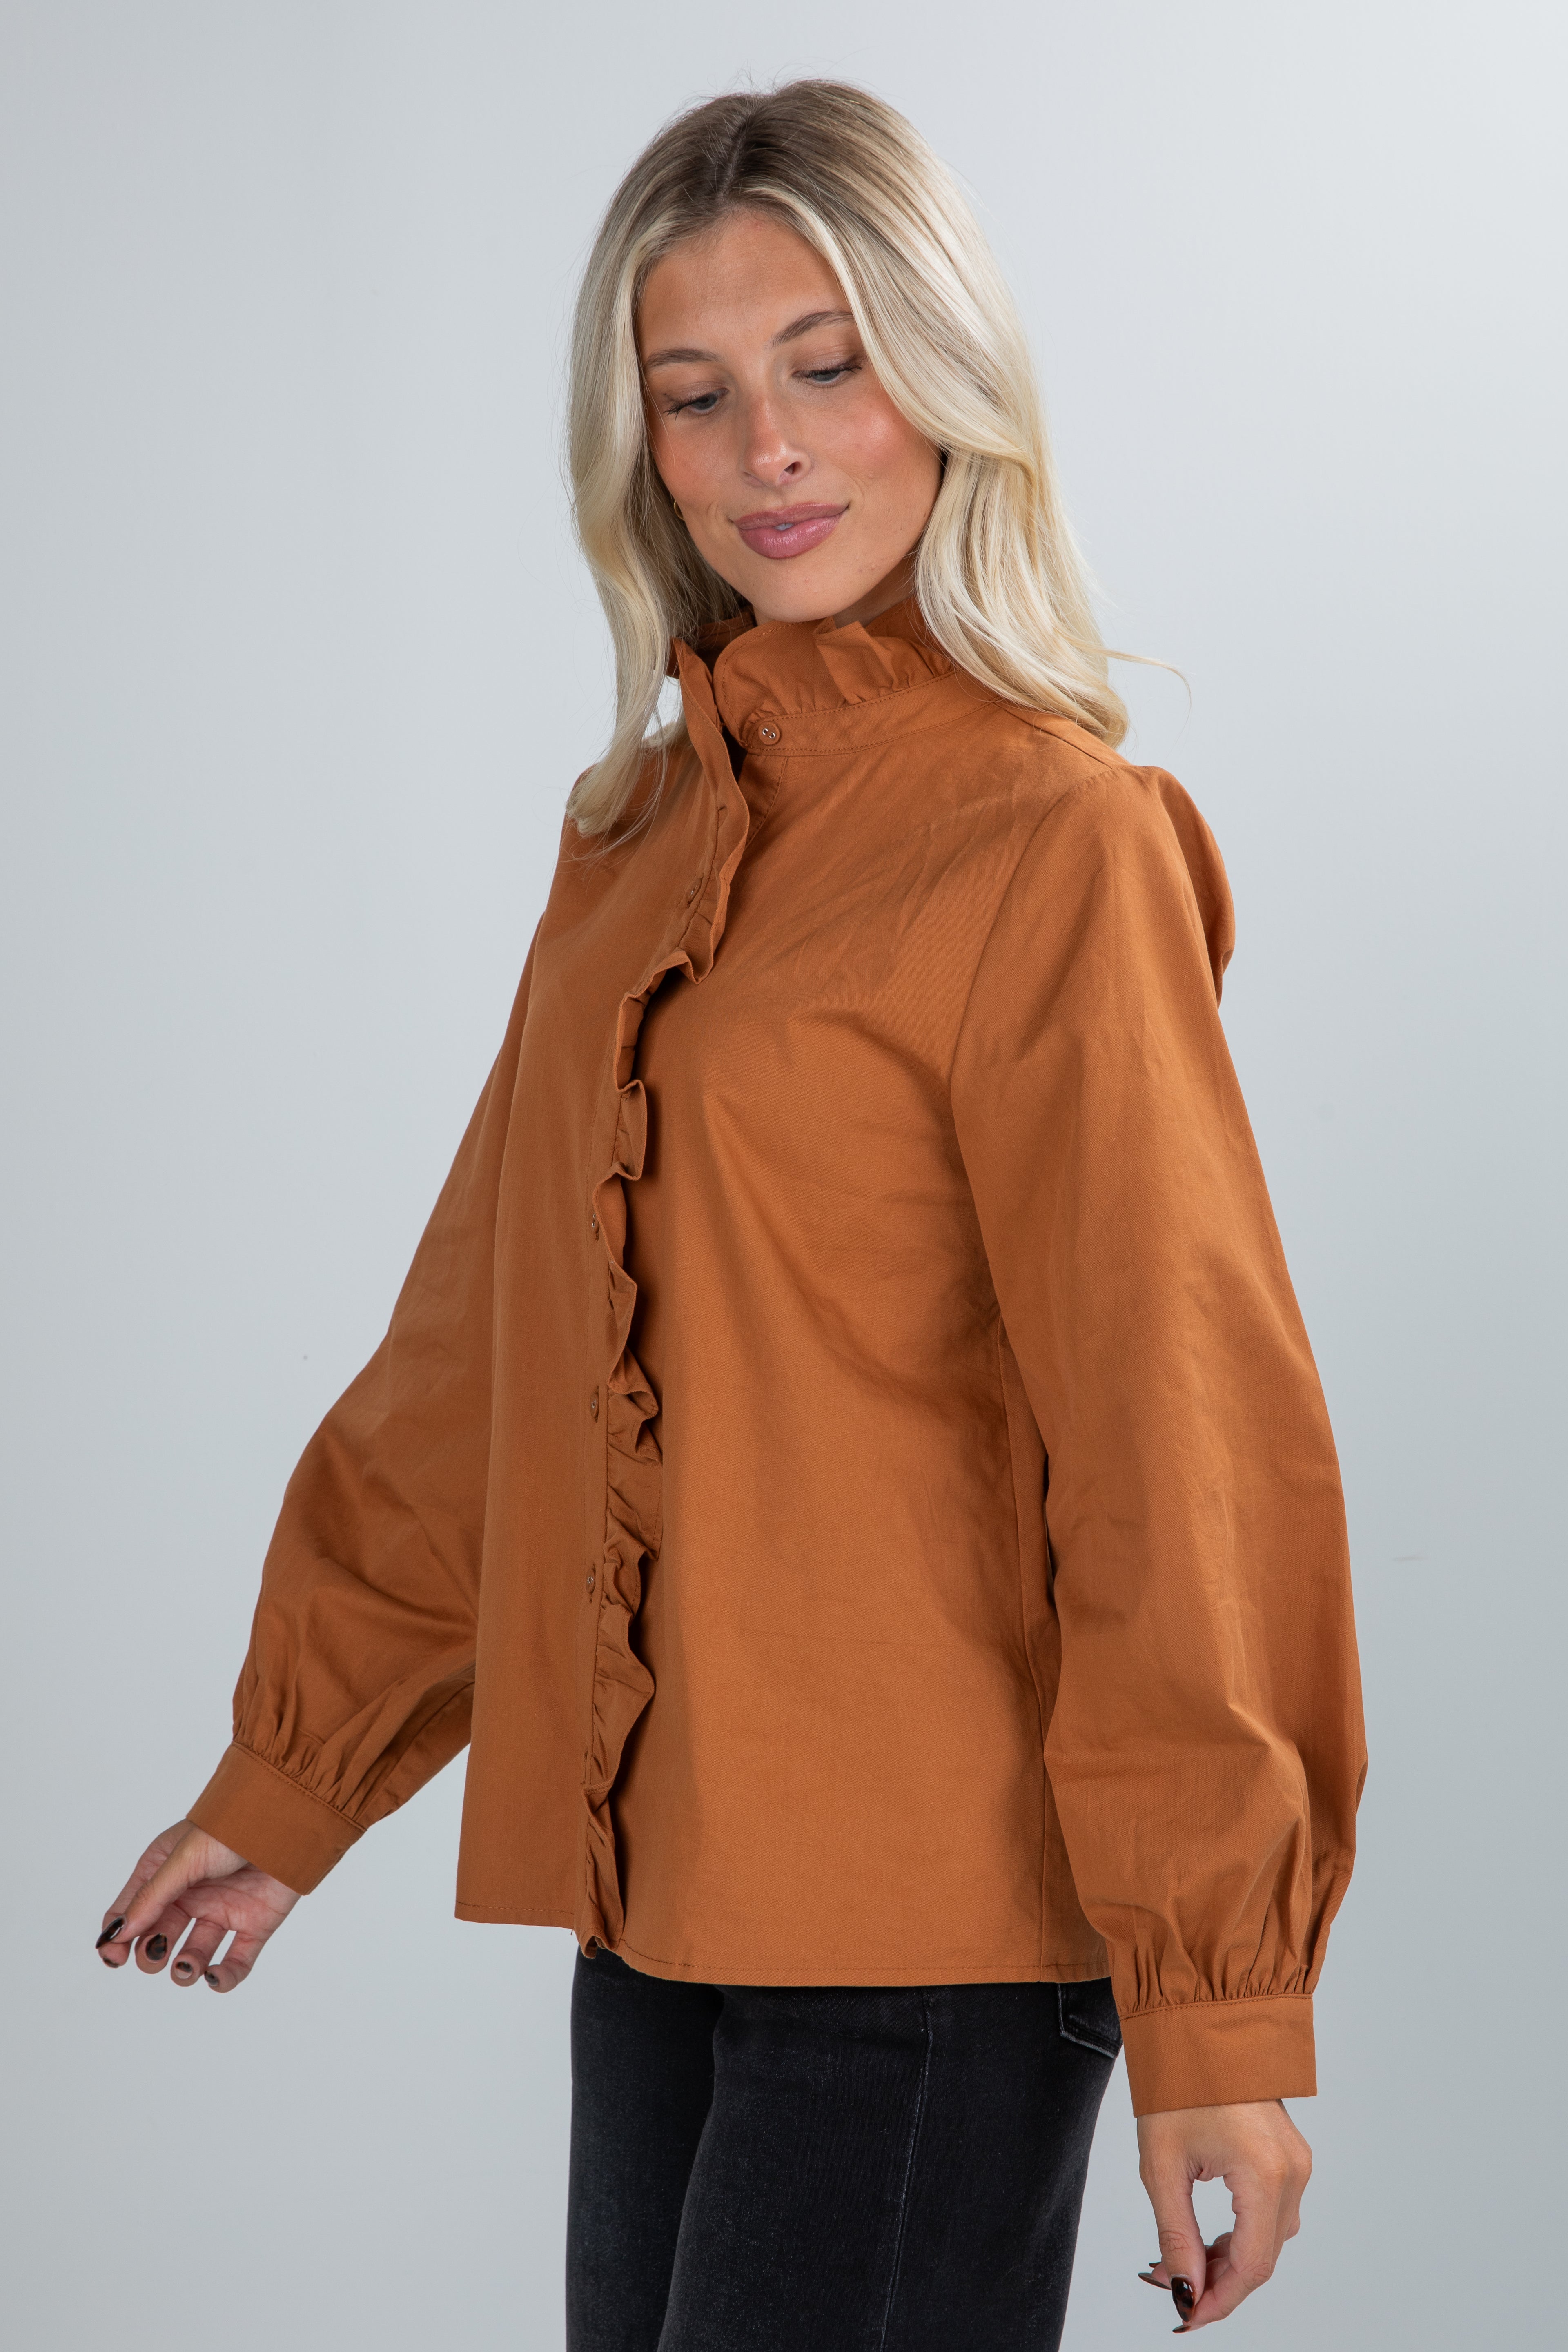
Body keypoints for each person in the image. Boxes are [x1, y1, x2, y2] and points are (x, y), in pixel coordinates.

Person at [94, 80, 1365, 2351]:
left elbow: (1174, 1447)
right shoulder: (636, 852)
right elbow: (482, 1354)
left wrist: (1223, 2007)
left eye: (831, 363)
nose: (768, 445)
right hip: (658, 1920)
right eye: (696, 393)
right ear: (642, 450)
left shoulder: (1054, 849)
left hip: (946, 1942)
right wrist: (297, 1768)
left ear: (950, 390)